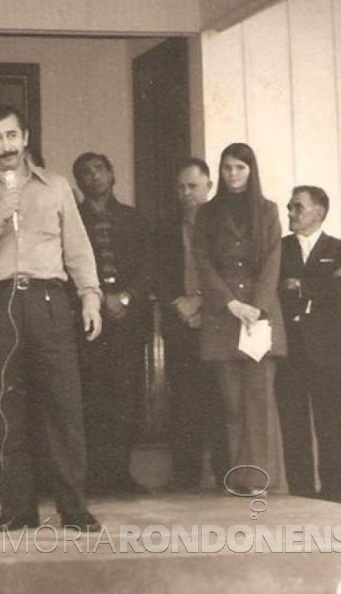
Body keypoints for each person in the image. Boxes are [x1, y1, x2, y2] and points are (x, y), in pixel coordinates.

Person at [0, 104, 102, 531]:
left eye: (12, 135)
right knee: (5, 408)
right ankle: (16, 509)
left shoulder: (56, 186)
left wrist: (90, 296)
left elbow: (78, 247)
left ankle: (74, 508)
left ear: (26, 137)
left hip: (48, 301)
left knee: (63, 407)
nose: (6, 146)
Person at [193, 142, 285, 495]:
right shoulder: (207, 213)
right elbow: (202, 262)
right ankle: (239, 477)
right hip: (224, 316)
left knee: (258, 401)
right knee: (232, 402)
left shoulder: (268, 210)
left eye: (240, 167)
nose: (233, 174)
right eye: (228, 167)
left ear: (251, 170)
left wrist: (256, 308)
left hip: (258, 318)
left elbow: (273, 261)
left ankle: (259, 478)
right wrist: (230, 303)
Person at [72, 152, 152, 495]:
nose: (95, 177)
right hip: (88, 321)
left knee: (125, 397)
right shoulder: (72, 220)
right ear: (78, 182)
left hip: (128, 322)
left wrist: (126, 297)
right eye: (86, 173)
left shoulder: (134, 219)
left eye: (100, 170)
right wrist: (98, 298)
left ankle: (121, 473)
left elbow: (149, 266)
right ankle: (92, 476)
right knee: (91, 397)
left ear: (112, 174)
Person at [154, 158, 228, 491]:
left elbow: (229, 273)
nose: (186, 193)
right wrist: (180, 304)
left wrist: (200, 300)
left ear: (209, 186)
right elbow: (158, 273)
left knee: (219, 399)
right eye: (181, 187)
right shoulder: (165, 229)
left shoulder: (223, 225)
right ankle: (186, 475)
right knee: (183, 401)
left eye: (193, 186)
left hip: (216, 321)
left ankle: (225, 473)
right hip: (179, 322)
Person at [276, 185, 341, 502]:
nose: (291, 213)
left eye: (298, 207)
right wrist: (318, 286)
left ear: (318, 212)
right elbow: (275, 289)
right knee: (293, 429)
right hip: (289, 352)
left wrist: (300, 285)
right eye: (290, 207)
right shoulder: (279, 248)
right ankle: (302, 496)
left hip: (329, 353)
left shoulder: (340, 248)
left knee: (331, 428)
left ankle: (335, 498)